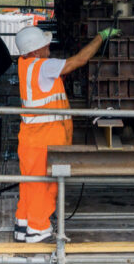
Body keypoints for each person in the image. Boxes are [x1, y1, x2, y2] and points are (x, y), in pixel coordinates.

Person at [13, 25, 120, 243]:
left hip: (31, 139)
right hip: (44, 140)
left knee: (30, 185)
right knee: (44, 186)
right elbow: (78, 61)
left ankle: (22, 225)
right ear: (34, 51)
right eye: (44, 44)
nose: (48, 46)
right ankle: (38, 230)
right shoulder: (43, 67)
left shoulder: (25, 65)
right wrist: (100, 38)